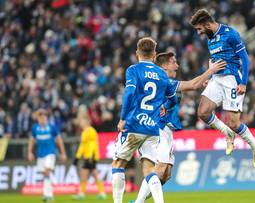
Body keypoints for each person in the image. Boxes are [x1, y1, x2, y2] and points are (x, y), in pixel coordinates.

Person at [133, 51, 226, 203]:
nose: (177, 65)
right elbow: (193, 84)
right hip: (157, 128)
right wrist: (211, 71)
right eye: (173, 62)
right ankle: (139, 202)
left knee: (166, 174)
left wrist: (205, 81)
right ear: (164, 66)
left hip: (167, 129)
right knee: (160, 168)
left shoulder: (168, 84)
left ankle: (139, 200)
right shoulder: (163, 81)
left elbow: (191, 86)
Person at [190, 9, 255, 167]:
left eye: (199, 29)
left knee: (234, 123)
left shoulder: (231, 34)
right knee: (202, 112)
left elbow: (245, 58)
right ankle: (227, 134)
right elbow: (214, 61)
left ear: (208, 24)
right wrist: (209, 77)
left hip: (232, 80)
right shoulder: (210, 39)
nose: (199, 33)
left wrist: (243, 82)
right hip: (216, 79)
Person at [112, 37, 178, 203]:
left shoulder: (133, 70)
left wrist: (123, 119)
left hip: (133, 125)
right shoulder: (162, 75)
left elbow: (129, 94)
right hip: (152, 129)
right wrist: (165, 106)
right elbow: (173, 100)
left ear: (137, 53)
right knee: (149, 170)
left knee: (118, 165)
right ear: (154, 55)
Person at [28, 109, 67, 202]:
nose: (43, 119)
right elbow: (32, 140)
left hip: (50, 153)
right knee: (45, 175)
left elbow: (59, 140)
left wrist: (63, 153)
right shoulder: (35, 128)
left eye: (44, 117)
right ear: (38, 119)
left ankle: (49, 195)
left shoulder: (52, 127)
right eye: (41, 117)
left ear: (47, 118)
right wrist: (29, 152)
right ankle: (47, 194)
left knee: (46, 171)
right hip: (40, 154)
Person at [72, 116, 107, 200]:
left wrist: (90, 157)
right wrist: (78, 157)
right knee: (93, 174)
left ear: (87, 122)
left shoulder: (91, 131)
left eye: (82, 121)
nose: (81, 123)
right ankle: (101, 192)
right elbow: (83, 146)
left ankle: (82, 193)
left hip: (90, 157)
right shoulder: (84, 132)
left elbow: (92, 145)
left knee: (85, 173)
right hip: (88, 157)